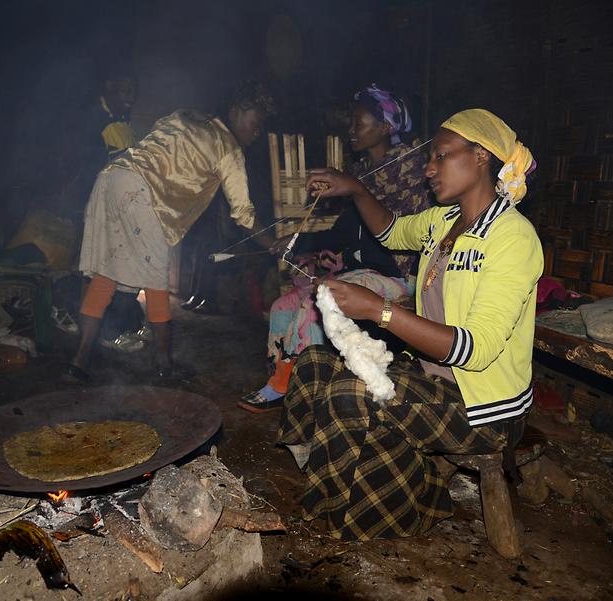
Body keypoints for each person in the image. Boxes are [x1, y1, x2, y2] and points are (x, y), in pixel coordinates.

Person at [277, 108, 541, 541]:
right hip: (434, 378)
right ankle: (335, 488)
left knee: (352, 391)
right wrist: (356, 188)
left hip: (484, 407)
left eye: (440, 156)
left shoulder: (512, 238)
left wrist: (381, 311)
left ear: (479, 156)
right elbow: (392, 232)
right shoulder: (445, 221)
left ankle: (401, 505)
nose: (429, 168)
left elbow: (475, 349)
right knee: (313, 365)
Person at [66, 82, 277, 381]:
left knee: (103, 274)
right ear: (235, 112)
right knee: (156, 282)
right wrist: (271, 243)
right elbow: (242, 213)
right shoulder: (228, 149)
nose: (254, 135)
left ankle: (78, 364)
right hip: (141, 193)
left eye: (259, 130)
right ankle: (164, 365)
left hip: (111, 178)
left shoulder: (186, 116)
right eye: (254, 125)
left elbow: (155, 135)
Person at [238, 85, 431, 412]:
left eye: (360, 123)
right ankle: (282, 381)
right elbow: (346, 228)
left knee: (319, 302)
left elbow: (395, 236)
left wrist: (348, 256)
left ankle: (313, 391)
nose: (351, 130)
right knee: (284, 304)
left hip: (398, 275)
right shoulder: (363, 171)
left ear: (385, 127)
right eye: (352, 123)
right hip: (365, 270)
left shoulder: (410, 170)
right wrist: (302, 244)